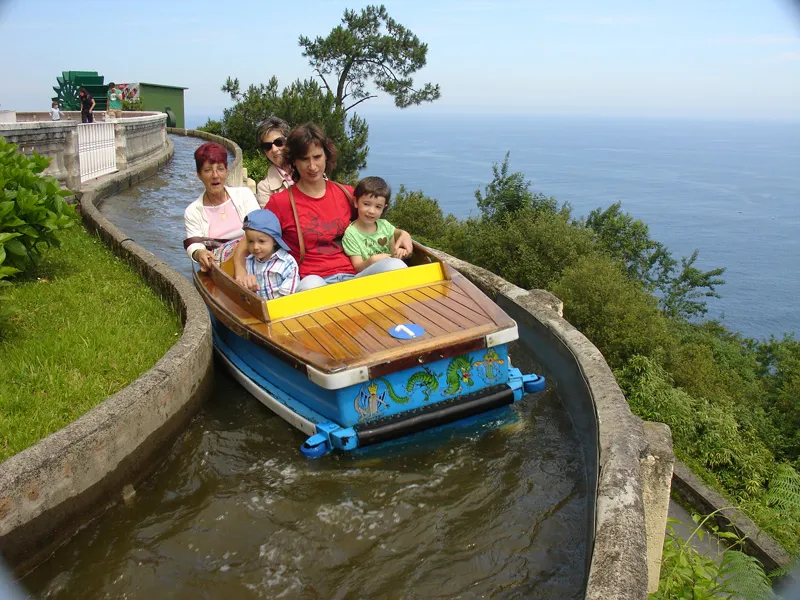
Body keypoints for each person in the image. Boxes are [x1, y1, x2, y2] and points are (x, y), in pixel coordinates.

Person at [253, 123, 412, 293]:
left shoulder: (346, 193)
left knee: (396, 266)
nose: (312, 166)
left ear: (326, 156)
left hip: (354, 277)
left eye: (317, 157)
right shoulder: (281, 202)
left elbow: (374, 225)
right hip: (315, 280)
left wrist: (402, 234)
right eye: (304, 159)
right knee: (310, 285)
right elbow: (250, 236)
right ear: (294, 162)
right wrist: (241, 271)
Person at [183, 142, 260, 275]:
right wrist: (199, 253)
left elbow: (259, 227)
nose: (215, 175)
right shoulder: (193, 211)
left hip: (254, 254)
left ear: (226, 171)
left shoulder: (244, 195)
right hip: (221, 264)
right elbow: (194, 244)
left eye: (220, 169)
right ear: (199, 175)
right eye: (208, 170)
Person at [342, 176, 410, 273]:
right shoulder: (351, 234)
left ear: (384, 208)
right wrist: (372, 260)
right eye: (366, 204)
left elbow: (393, 256)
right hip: (368, 276)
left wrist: (400, 253)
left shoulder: (385, 226)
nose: (371, 211)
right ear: (356, 202)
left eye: (378, 207)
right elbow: (358, 267)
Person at [242, 210, 299, 300]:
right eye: (250, 241)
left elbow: (288, 297)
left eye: (261, 241)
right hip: (257, 307)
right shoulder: (249, 261)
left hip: (282, 306)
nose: (255, 247)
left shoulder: (287, 263)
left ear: (275, 241)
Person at [255, 116, 293, 208]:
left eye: (279, 142)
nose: (274, 149)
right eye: (267, 146)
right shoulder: (264, 188)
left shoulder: (309, 168)